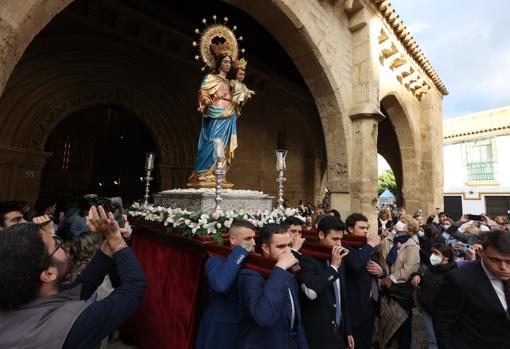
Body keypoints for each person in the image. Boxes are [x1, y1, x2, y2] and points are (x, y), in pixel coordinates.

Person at [0, 206, 147, 348]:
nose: (64, 246)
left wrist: (110, 239)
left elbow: (80, 289)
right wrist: (116, 239)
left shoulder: (27, 294)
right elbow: (135, 286)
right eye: (56, 244)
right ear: (48, 274)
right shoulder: (69, 325)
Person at [433, 230, 510, 349]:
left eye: (509, 261)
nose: (503, 267)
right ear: (482, 252)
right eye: (495, 260)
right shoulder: (459, 279)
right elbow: (443, 324)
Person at [237, 224, 308, 348]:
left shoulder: (287, 272)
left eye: (289, 245)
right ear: (265, 248)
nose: (288, 251)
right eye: (281, 246)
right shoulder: (249, 275)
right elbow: (264, 317)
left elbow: (296, 321)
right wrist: (280, 268)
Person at [196, 219, 256, 349]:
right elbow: (220, 285)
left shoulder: (255, 260)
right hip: (220, 332)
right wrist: (243, 250)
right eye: (248, 239)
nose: (253, 243)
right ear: (233, 240)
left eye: (254, 238)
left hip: (246, 332)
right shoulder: (215, 260)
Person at [187, 46, 238, 187]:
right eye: (225, 61)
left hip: (229, 114)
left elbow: (235, 98)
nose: (228, 64)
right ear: (219, 63)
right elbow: (203, 92)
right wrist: (206, 99)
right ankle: (204, 173)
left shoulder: (229, 83)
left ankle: (220, 173)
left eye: (229, 62)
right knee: (211, 141)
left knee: (225, 145)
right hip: (215, 113)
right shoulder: (210, 78)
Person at [299, 215, 354, 349]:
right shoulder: (307, 258)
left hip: (339, 331)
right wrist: (333, 268)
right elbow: (310, 292)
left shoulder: (337, 256)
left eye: (341, 239)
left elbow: (342, 294)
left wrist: (347, 330)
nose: (339, 244)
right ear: (321, 234)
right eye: (334, 239)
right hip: (319, 332)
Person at [377, 215, 420, 349]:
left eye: (403, 222)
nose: (399, 223)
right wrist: (384, 236)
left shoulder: (412, 245)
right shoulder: (389, 240)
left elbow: (410, 268)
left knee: (403, 326)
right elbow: (378, 253)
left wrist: (392, 278)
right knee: (385, 320)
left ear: (410, 229)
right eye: (399, 221)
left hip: (400, 291)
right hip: (384, 287)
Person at [344, 213, 383, 349]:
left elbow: (375, 265)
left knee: (367, 341)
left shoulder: (365, 245)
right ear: (350, 229)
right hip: (355, 307)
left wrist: (380, 271)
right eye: (361, 228)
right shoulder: (345, 246)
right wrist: (370, 245)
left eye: (366, 228)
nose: (366, 231)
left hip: (370, 303)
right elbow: (355, 264)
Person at [411, 243, 456, 349]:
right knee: (432, 340)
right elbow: (427, 283)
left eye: (436, 253)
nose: (432, 256)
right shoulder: (431, 268)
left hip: (442, 314)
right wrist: (416, 276)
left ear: (446, 257)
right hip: (427, 309)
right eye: (432, 253)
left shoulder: (453, 273)